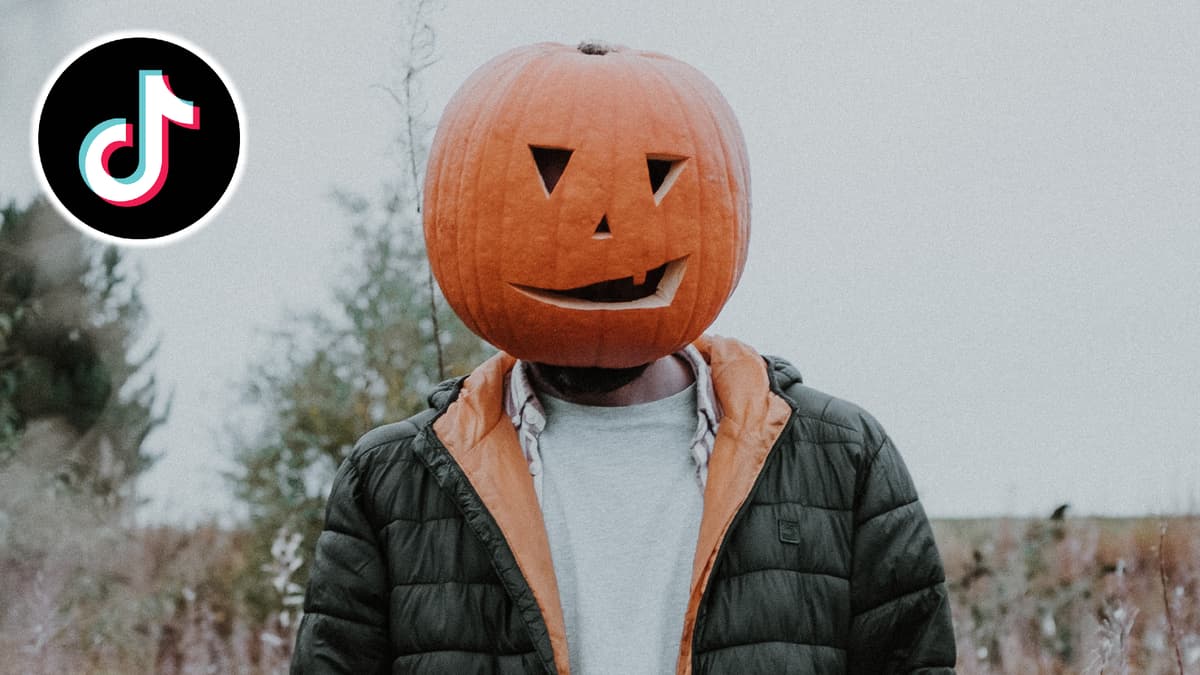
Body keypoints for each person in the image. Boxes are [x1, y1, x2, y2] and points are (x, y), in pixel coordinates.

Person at [291, 41, 956, 675]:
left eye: (656, 178)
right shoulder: (393, 481)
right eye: (548, 177)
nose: (602, 227)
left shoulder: (841, 460)